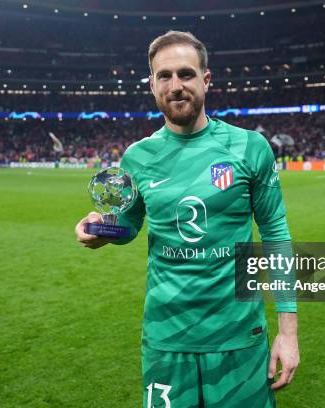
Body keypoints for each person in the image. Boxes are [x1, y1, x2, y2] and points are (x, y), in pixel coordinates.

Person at [76, 30, 299, 408]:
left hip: (239, 336)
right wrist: (103, 227)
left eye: (186, 74)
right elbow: (129, 223)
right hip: (166, 338)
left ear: (206, 80)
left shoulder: (248, 147)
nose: (176, 85)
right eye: (164, 76)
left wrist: (288, 332)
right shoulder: (138, 157)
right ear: (151, 84)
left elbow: (275, 233)